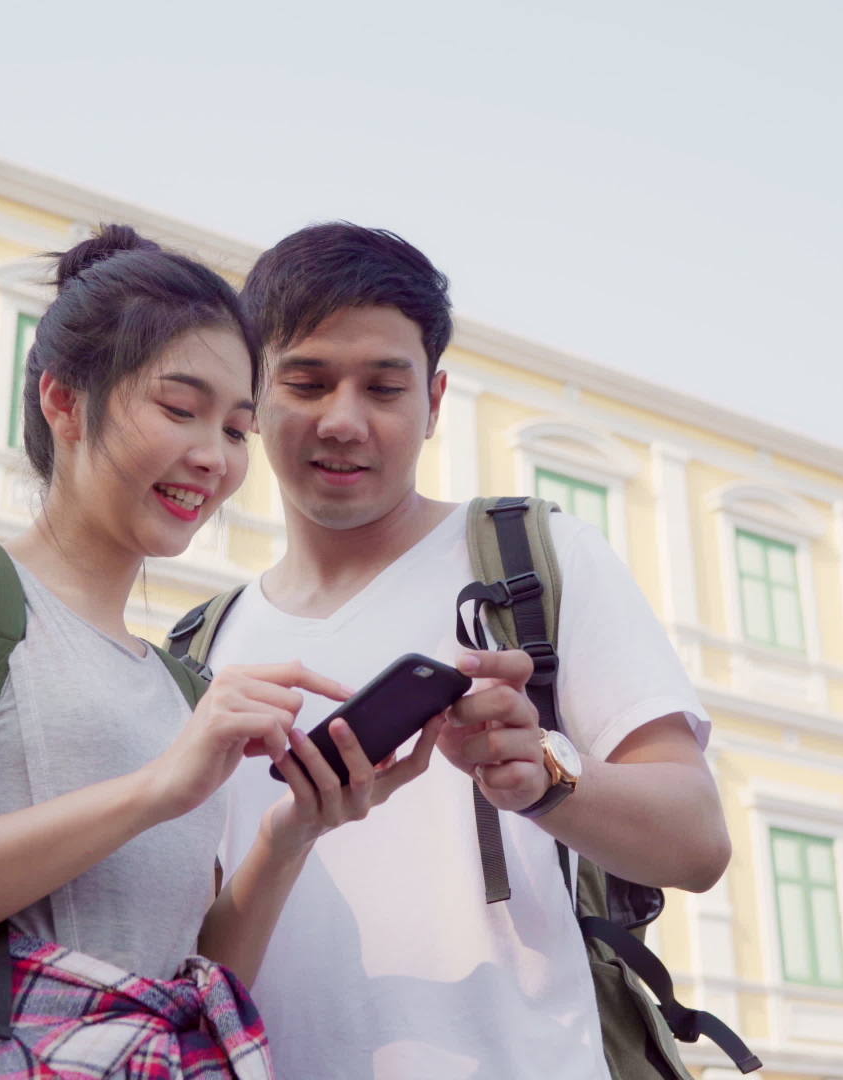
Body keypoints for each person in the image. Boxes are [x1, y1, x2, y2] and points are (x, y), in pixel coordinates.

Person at [0, 225, 435, 1077]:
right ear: (63, 401)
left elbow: (181, 988)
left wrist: (291, 835)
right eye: (179, 409)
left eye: (236, 429)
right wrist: (156, 790)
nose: (212, 458)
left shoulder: (180, 684)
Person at [198, 223, 733, 1078]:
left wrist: (545, 775)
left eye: (384, 387)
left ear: (435, 402)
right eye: (307, 381)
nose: (344, 420)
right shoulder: (202, 647)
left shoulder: (535, 560)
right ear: (254, 394)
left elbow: (697, 841)